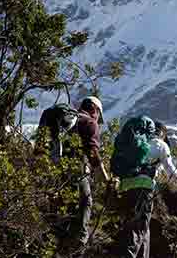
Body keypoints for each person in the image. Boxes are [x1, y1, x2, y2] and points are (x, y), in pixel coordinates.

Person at [114, 116, 177, 258]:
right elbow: (171, 172)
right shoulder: (160, 144)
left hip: (125, 188)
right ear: (162, 133)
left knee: (138, 228)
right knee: (137, 230)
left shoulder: (139, 142)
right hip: (143, 189)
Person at [72, 96, 110, 248]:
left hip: (54, 171)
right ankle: (79, 244)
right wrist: (104, 176)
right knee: (86, 200)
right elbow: (92, 152)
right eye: (99, 114)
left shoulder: (72, 120)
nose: (98, 118)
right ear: (95, 109)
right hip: (76, 169)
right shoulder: (89, 122)